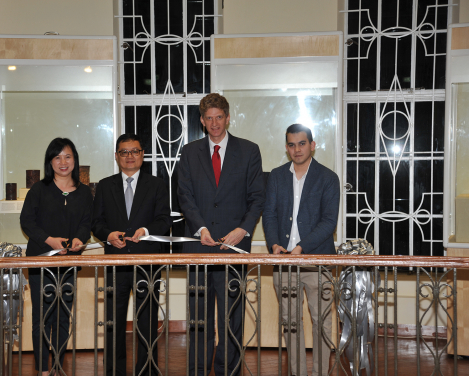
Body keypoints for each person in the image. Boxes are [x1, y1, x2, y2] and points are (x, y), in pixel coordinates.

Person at [177, 93, 265, 376]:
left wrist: (243, 229)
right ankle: (199, 371)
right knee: (199, 318)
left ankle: (229, 371)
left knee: (232, 318)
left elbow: (257, 197)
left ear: (228, 117)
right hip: (198, 247)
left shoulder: (249, 150)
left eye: (219, 117)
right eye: (209, 118)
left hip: (234, 248)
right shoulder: (189, 153)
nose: (214, 123)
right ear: (202, 121)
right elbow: (185, 196)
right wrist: (201, 229)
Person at [262, 123, 340, 376]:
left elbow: (329, 222)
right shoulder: (276, 175)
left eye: (302, 143)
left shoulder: (328, 178)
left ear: (312, 145)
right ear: (287, 148)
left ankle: (319, 373)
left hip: (318, 261)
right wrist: (274, 244)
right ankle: (298, 373)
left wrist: (301, 248)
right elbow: (269, 215)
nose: (297, 149)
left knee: (323, 324)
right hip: (284, 263)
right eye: (292, 145)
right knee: (291, 324)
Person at [91, 133, 171, 376]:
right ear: (116, 156)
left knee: (146, 322)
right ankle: (114, 371)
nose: (129, 156)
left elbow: (165, 220)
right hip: (115, 262)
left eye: (134, 151)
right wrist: (108, 235)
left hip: (147, 262)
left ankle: (147, 370)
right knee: (113, 321)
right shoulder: (105, 185)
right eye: (124, 152)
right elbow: (96, 222)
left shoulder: (157, 184)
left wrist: (146, 231)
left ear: (142, 155)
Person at [20, 137, 93, 376]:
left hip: (68, 263)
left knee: (63, 317)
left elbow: (86, 223)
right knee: (42, 317)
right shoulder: (39, 189)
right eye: (57, 157)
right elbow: (27, 222)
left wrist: (79, 241)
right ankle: (42, 368)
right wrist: (50, 241)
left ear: (75, 160)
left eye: (68, 156)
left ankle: (59, 365)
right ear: (50, 161)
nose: (63, 162)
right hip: (41, 262)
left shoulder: (84, 193)